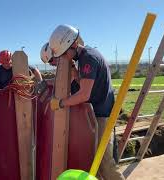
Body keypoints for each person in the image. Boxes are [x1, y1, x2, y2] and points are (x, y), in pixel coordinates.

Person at [46, 24, 125, 180]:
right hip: (99, 112)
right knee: (98, 161)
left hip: (103, 114)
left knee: (104, 161)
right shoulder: (84, 57)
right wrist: (74, 70)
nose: (64, 57)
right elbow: (84, 83)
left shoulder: (89, 58)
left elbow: (83, 94)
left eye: (65, 53)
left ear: (74, 45)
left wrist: (60, 103)